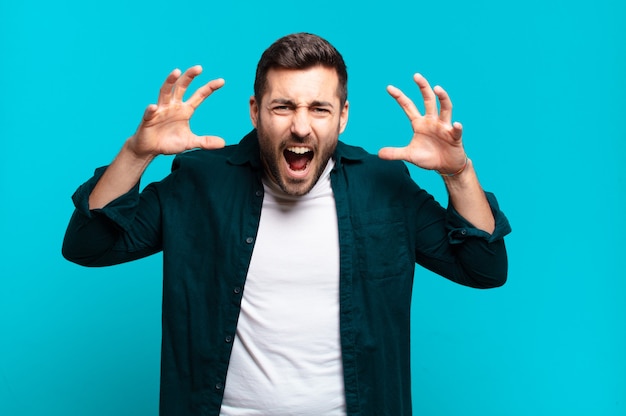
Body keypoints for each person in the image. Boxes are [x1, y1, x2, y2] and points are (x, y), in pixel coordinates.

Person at [62, 32, 511, 416]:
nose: (300, 127)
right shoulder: (202, 181)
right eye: (283, 107)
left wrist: (458, 173)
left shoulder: (384, 186)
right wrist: (137, 154)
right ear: (255, 111)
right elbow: (88, 245)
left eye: (319, 108)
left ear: (343, 115)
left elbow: (484, 268)